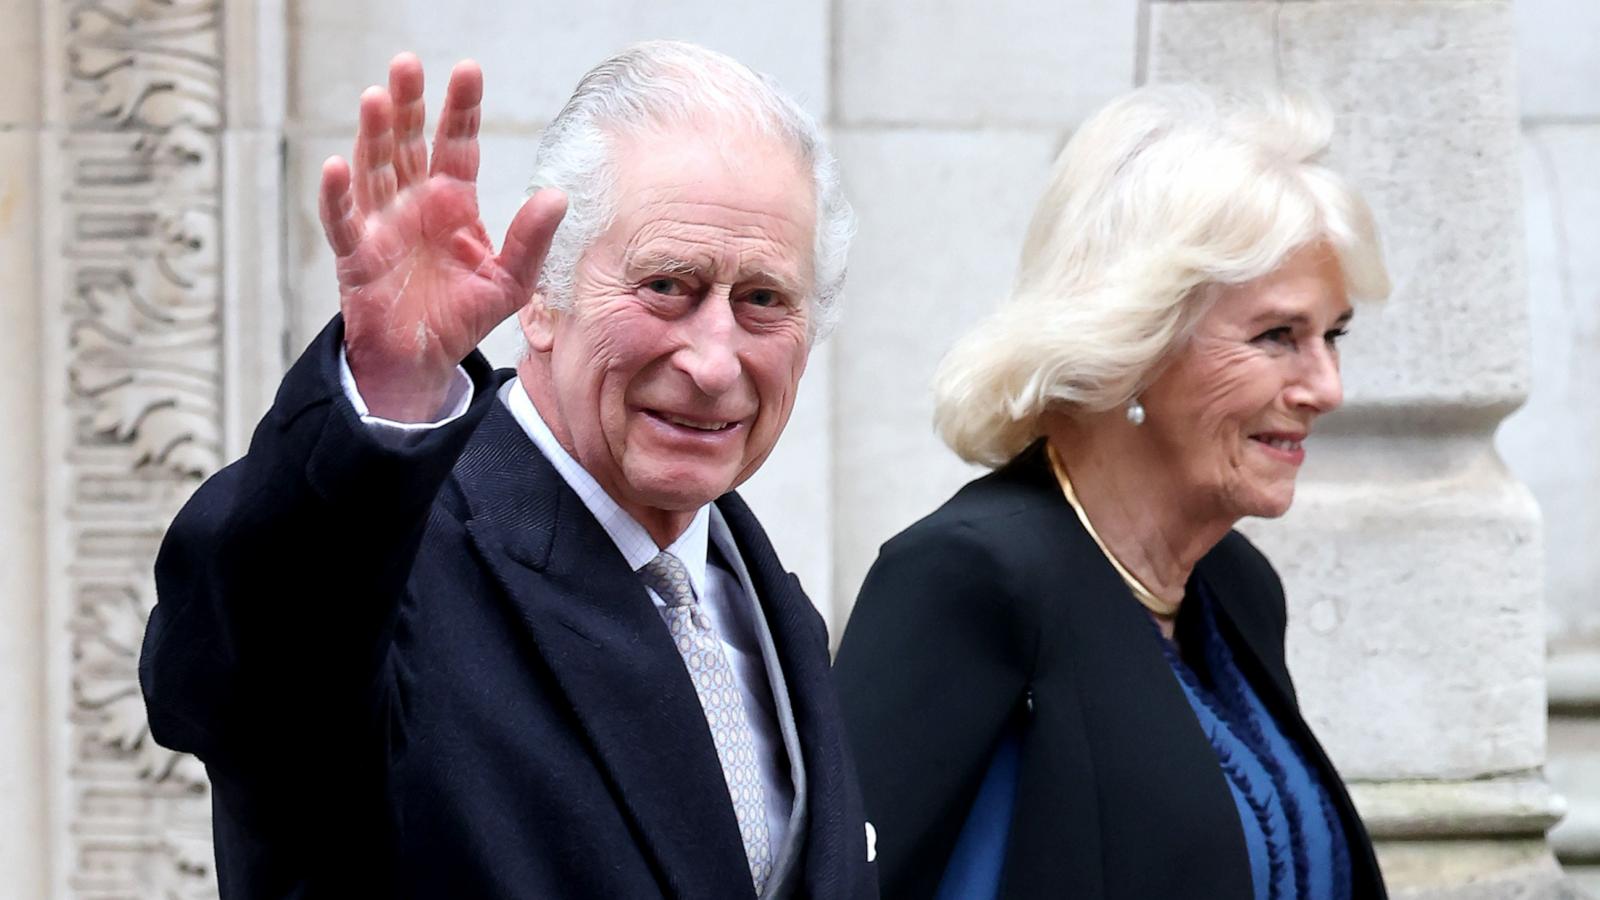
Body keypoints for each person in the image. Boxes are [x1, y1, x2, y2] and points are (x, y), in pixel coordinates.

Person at [140, 42, 875, 899]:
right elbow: (238, 672)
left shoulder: (758, 596)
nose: (714, 362)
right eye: (668, 285)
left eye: (763, 300)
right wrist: (388, 398)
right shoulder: (397, 560)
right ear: (542, 299)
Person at [832, 85, 1391, 900]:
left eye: (1331, 336)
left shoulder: (1234, 585)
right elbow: (852, 881)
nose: (1326, 386)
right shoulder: (970, 577)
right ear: (1134, 340)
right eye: (1278, 336)